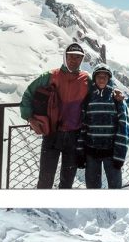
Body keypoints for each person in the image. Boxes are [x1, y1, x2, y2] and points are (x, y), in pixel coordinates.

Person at [20, 43, 91, 189]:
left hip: (74, 135)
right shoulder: (51, 76)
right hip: (52, 133)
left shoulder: (86, 79)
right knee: (46, 177)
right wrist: (30, 118)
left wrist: (115, 94)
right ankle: (41, 207)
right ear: (65, 57)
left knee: (68, 179)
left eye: (78, 58)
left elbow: (102, 90)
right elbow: (28, 95)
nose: (74, 60)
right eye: (71, 57)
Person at [77, 65, 129, 189]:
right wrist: (80, 152)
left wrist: (119, 155)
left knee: (115, 187)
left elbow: (124, 128)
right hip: (91, 152)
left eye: (105, 76)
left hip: (111, 153)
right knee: (92, 187)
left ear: (109, 79)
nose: (101, 79)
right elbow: (83, 127)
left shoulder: (117, 99)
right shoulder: (89, 98)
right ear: (94, 78)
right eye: (99, 76)